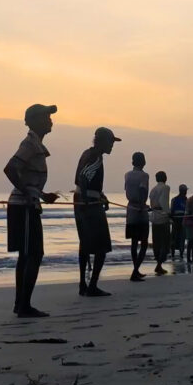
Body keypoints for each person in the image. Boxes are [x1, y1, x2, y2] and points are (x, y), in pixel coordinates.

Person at [3, 104, 59, 318]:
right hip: (23, 207)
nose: (50, 120)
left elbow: (25, 177)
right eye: (46, 116)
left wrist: (43, 195)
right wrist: (28, 192)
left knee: (27, 255)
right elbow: (10, 168)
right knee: (33, 254)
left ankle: (21, 303)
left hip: (27, 205)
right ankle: (23, 305)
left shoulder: (35, 144)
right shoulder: (30, 143)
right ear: (34, 120)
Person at [73, 127, 121, 297]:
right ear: (101, 141)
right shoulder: (96, 157)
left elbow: (84, 179)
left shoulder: (87, 153)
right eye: (111, 142)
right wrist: (88, 200)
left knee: (84, 244)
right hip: (89, 205)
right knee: (102, 246)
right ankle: (92, 285)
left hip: (81, 200)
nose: (112, 146)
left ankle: (82, 284)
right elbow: (84, 177)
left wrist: (101, 195)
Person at [124, 152, 150, 282]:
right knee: (144, 243)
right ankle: (135, 271)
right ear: (143, 162)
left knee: (134, 243)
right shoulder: (144, 175)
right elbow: (142, 190)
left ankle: (136, 269)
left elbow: (127, 190)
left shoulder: (127, 175)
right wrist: (142, 206)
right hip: (140, 210)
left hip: (130, 210)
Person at [148, 171, 171, 276]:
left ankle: (159, 264)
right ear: (165, 178)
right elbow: (163, 202)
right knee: (165, 242)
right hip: (162, 217)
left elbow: (152, 203)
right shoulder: (165, 188)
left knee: (156, 242)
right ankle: (159, 265)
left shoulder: (153, 189)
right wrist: (168, 213)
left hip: (154, 217)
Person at [170, 184, 188, 260]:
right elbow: (171, 211)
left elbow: (171, 211)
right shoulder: (185, 200)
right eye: (185, 190)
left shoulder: (175, 199)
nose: (186, 192)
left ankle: (177, 254)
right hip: (178, 220)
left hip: (180, 220)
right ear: (183, 191)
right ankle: (175, 254)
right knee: (178, 237)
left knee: (179, 237)